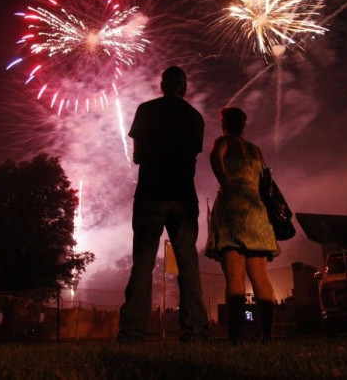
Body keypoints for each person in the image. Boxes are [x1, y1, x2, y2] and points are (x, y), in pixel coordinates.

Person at [117, 66, 209, 343]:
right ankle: (195, 329)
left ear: (162, 85)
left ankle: (133, 332)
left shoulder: (146, 110)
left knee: (143, 263)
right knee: (188, 264)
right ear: (184, 87)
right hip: (183, 195)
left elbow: (138, 156)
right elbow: (192, 154)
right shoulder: (195, 117)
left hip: (151, 193)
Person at [205, 107, 280, 342]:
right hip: (257, 211)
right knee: (260, 277)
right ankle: (267, 335)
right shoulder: (255, 150)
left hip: (233, 210)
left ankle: (234, 337)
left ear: (225, 124)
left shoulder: (223, 141)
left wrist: (225, 183)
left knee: (234, 277)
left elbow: (215, 158)